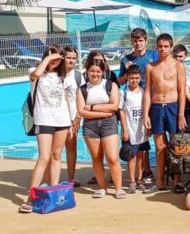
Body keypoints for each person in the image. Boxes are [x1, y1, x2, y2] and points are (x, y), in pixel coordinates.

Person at [20, 45, 77, 213]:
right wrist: (49, 58)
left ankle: (54, 193)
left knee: (56, 156)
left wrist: (72, 121)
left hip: (62, 120)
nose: (55, 61)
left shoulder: (65, 76)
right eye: (52, 57)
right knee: (44, 157)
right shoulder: (36, 72)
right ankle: (31, 197)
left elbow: (70, 99)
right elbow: (36, 74)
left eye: (58, 58)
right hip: (44, 120)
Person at [142, 33, 187, 194]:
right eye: (160, 46)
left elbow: (182, 91)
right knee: (160, 146)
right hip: (156, 107)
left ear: (171, 47)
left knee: (176, 145)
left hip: (172, 107)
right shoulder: (150, 67)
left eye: (166, 46)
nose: (162, 49)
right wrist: (145, 114)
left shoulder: (178, 66)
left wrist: (181, 114)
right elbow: (147, 91)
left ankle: (177, 181)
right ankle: (159, 181)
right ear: (156, 47)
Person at [77, 58, 123, 199]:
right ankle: (102, 187)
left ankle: (119, 188)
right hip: (90, 127)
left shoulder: (110, 85)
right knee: (97, 159)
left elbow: (114, 106)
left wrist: (91, 107)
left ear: (102, 72)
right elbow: (81, 111)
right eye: (92, 71)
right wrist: (103, 111)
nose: (95, 74)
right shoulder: (83, 89)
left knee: (112, 158)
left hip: (109, 124)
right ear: (87, 71)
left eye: (98, 71)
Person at [119, 65, 151, 193]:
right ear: (127, 78)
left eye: (137, 78)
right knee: (131, 157)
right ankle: (132, 180)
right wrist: (125, 130)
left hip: (141, 130)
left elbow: (147, 111)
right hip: (130, 131)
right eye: (131, 78)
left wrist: (148, 127)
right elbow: (121, 112)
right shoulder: (124, 93)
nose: (134, 81)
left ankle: (139, 179)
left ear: (140, 77)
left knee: (141, 156)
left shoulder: (144, 92)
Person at [62, 46, 82, 187]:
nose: (71, 60)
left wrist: (78, 118)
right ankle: (51, 179)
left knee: (71, 148)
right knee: (54, 151)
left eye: (74, 58)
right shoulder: (56, 75)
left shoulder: (78, 76)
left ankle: (70, 178)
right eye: (69, 57)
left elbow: (81, 99)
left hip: (73, 118)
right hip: (56, 119)